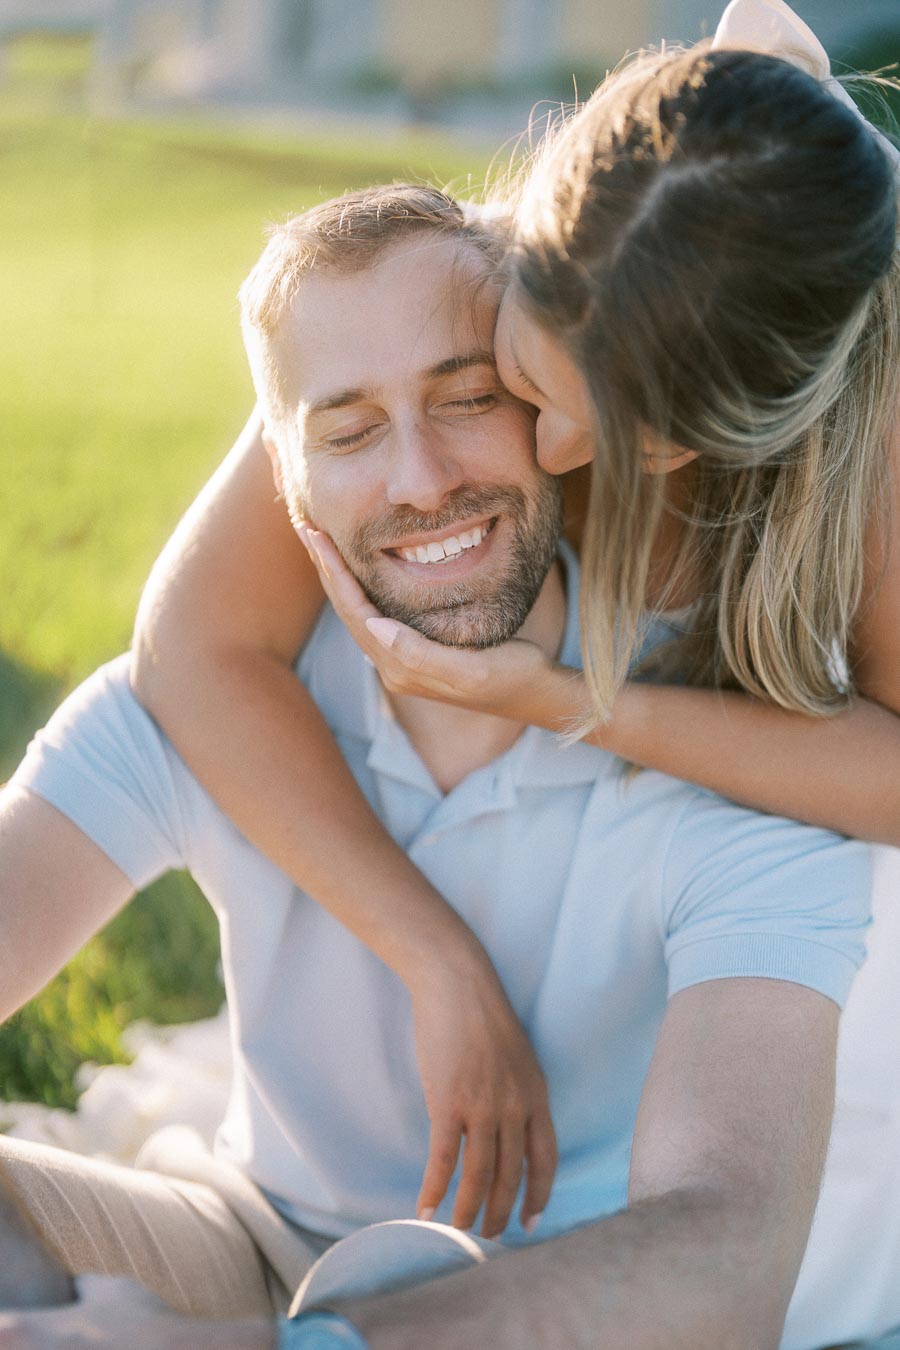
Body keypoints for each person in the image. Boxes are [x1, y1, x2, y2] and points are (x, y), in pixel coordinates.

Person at [0, 185, 873, 1350]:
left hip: (565, 1313)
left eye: (466, 399)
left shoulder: (727, 753)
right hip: (248, 1242)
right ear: (286, 478)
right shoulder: (209, 710)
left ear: (563, 414)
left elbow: (727, 1248)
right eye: (349, 432)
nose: (419, 479)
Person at [129, 0, 900, 1233]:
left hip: (788, 939)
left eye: (624, 434)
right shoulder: (538, 254)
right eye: (520, 383)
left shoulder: (867, 434)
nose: (546, 446)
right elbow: (192, 645)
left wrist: (570, 706)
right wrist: (436, 961)